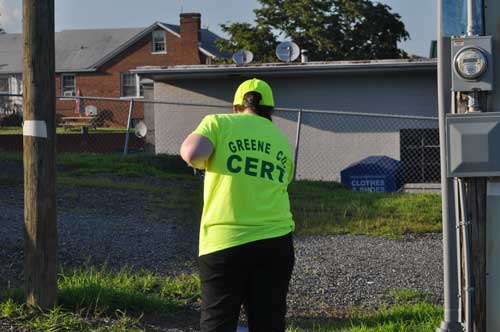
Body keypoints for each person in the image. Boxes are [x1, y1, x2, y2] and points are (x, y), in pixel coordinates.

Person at [180, 78, 295, 332]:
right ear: (270, 111)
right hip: (276, 241)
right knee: (269, 322)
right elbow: (285, 181)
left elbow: (192, 154)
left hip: (225, 240)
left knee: (218, 321)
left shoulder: (218, 123)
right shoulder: (282, 141)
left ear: (235, 107)